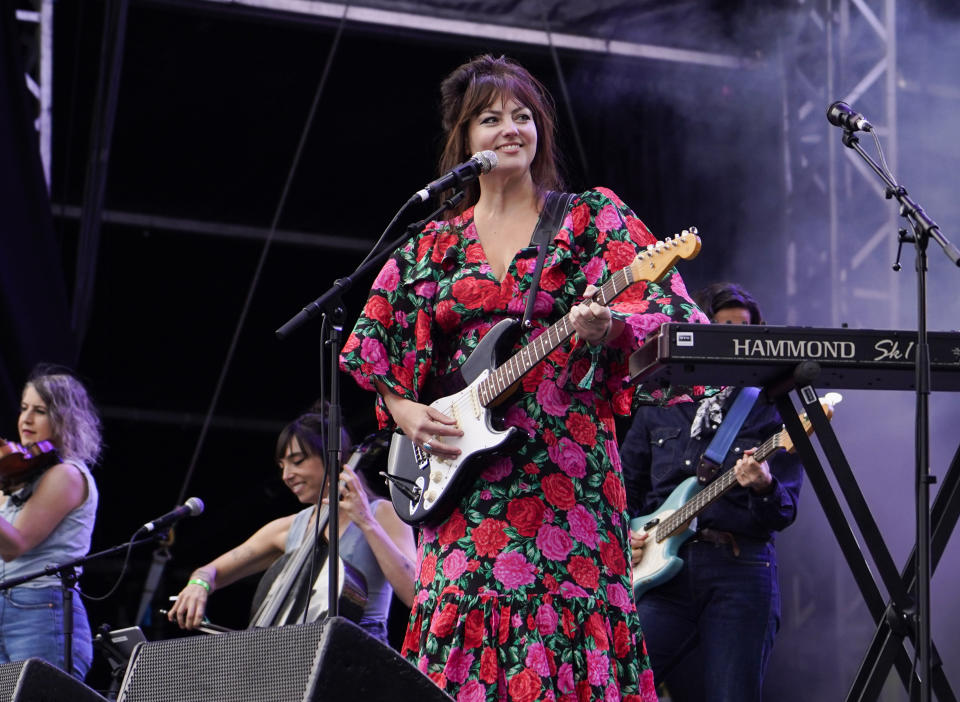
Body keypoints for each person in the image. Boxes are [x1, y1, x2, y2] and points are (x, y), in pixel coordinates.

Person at [339, 54, 711, 702]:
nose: (510, 128)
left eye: (523, 116)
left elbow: (676, 319)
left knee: (571, 622)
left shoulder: (590, 218)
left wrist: (613, 329)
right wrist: (403, 411)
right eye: (490, 118)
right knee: (462, 615)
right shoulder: (433, 242)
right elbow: (376, 337)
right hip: (464, 481)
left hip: (570, 476)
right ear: (464, 138)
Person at [620, 282, 804, 702]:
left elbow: (783, 512)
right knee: (621, 682)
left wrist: (764, 486)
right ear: (700, 330)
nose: (736, 339)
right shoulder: (660, 402)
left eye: (745, 329)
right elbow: (624, 488)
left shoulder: (773, 409)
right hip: (660, 574)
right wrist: (622, 540)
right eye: (724, 328)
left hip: (740, 570)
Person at [167, 412, 417, 644]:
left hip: (362, 655)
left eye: (297, 461)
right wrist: (198, 586)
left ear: (333, 457)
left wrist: (366, 523)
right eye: (282, 466)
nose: (287, 475)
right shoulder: (289, 527)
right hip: (296, 657)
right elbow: (209, 572)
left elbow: (414, 593)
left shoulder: (381, 513)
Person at [0, 366, 101, 679]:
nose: (26, 419)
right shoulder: (18, 473)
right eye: (24, 408)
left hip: (40, 612)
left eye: (40, 411)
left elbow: (14, 545)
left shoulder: (67, 475)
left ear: (63, 419)